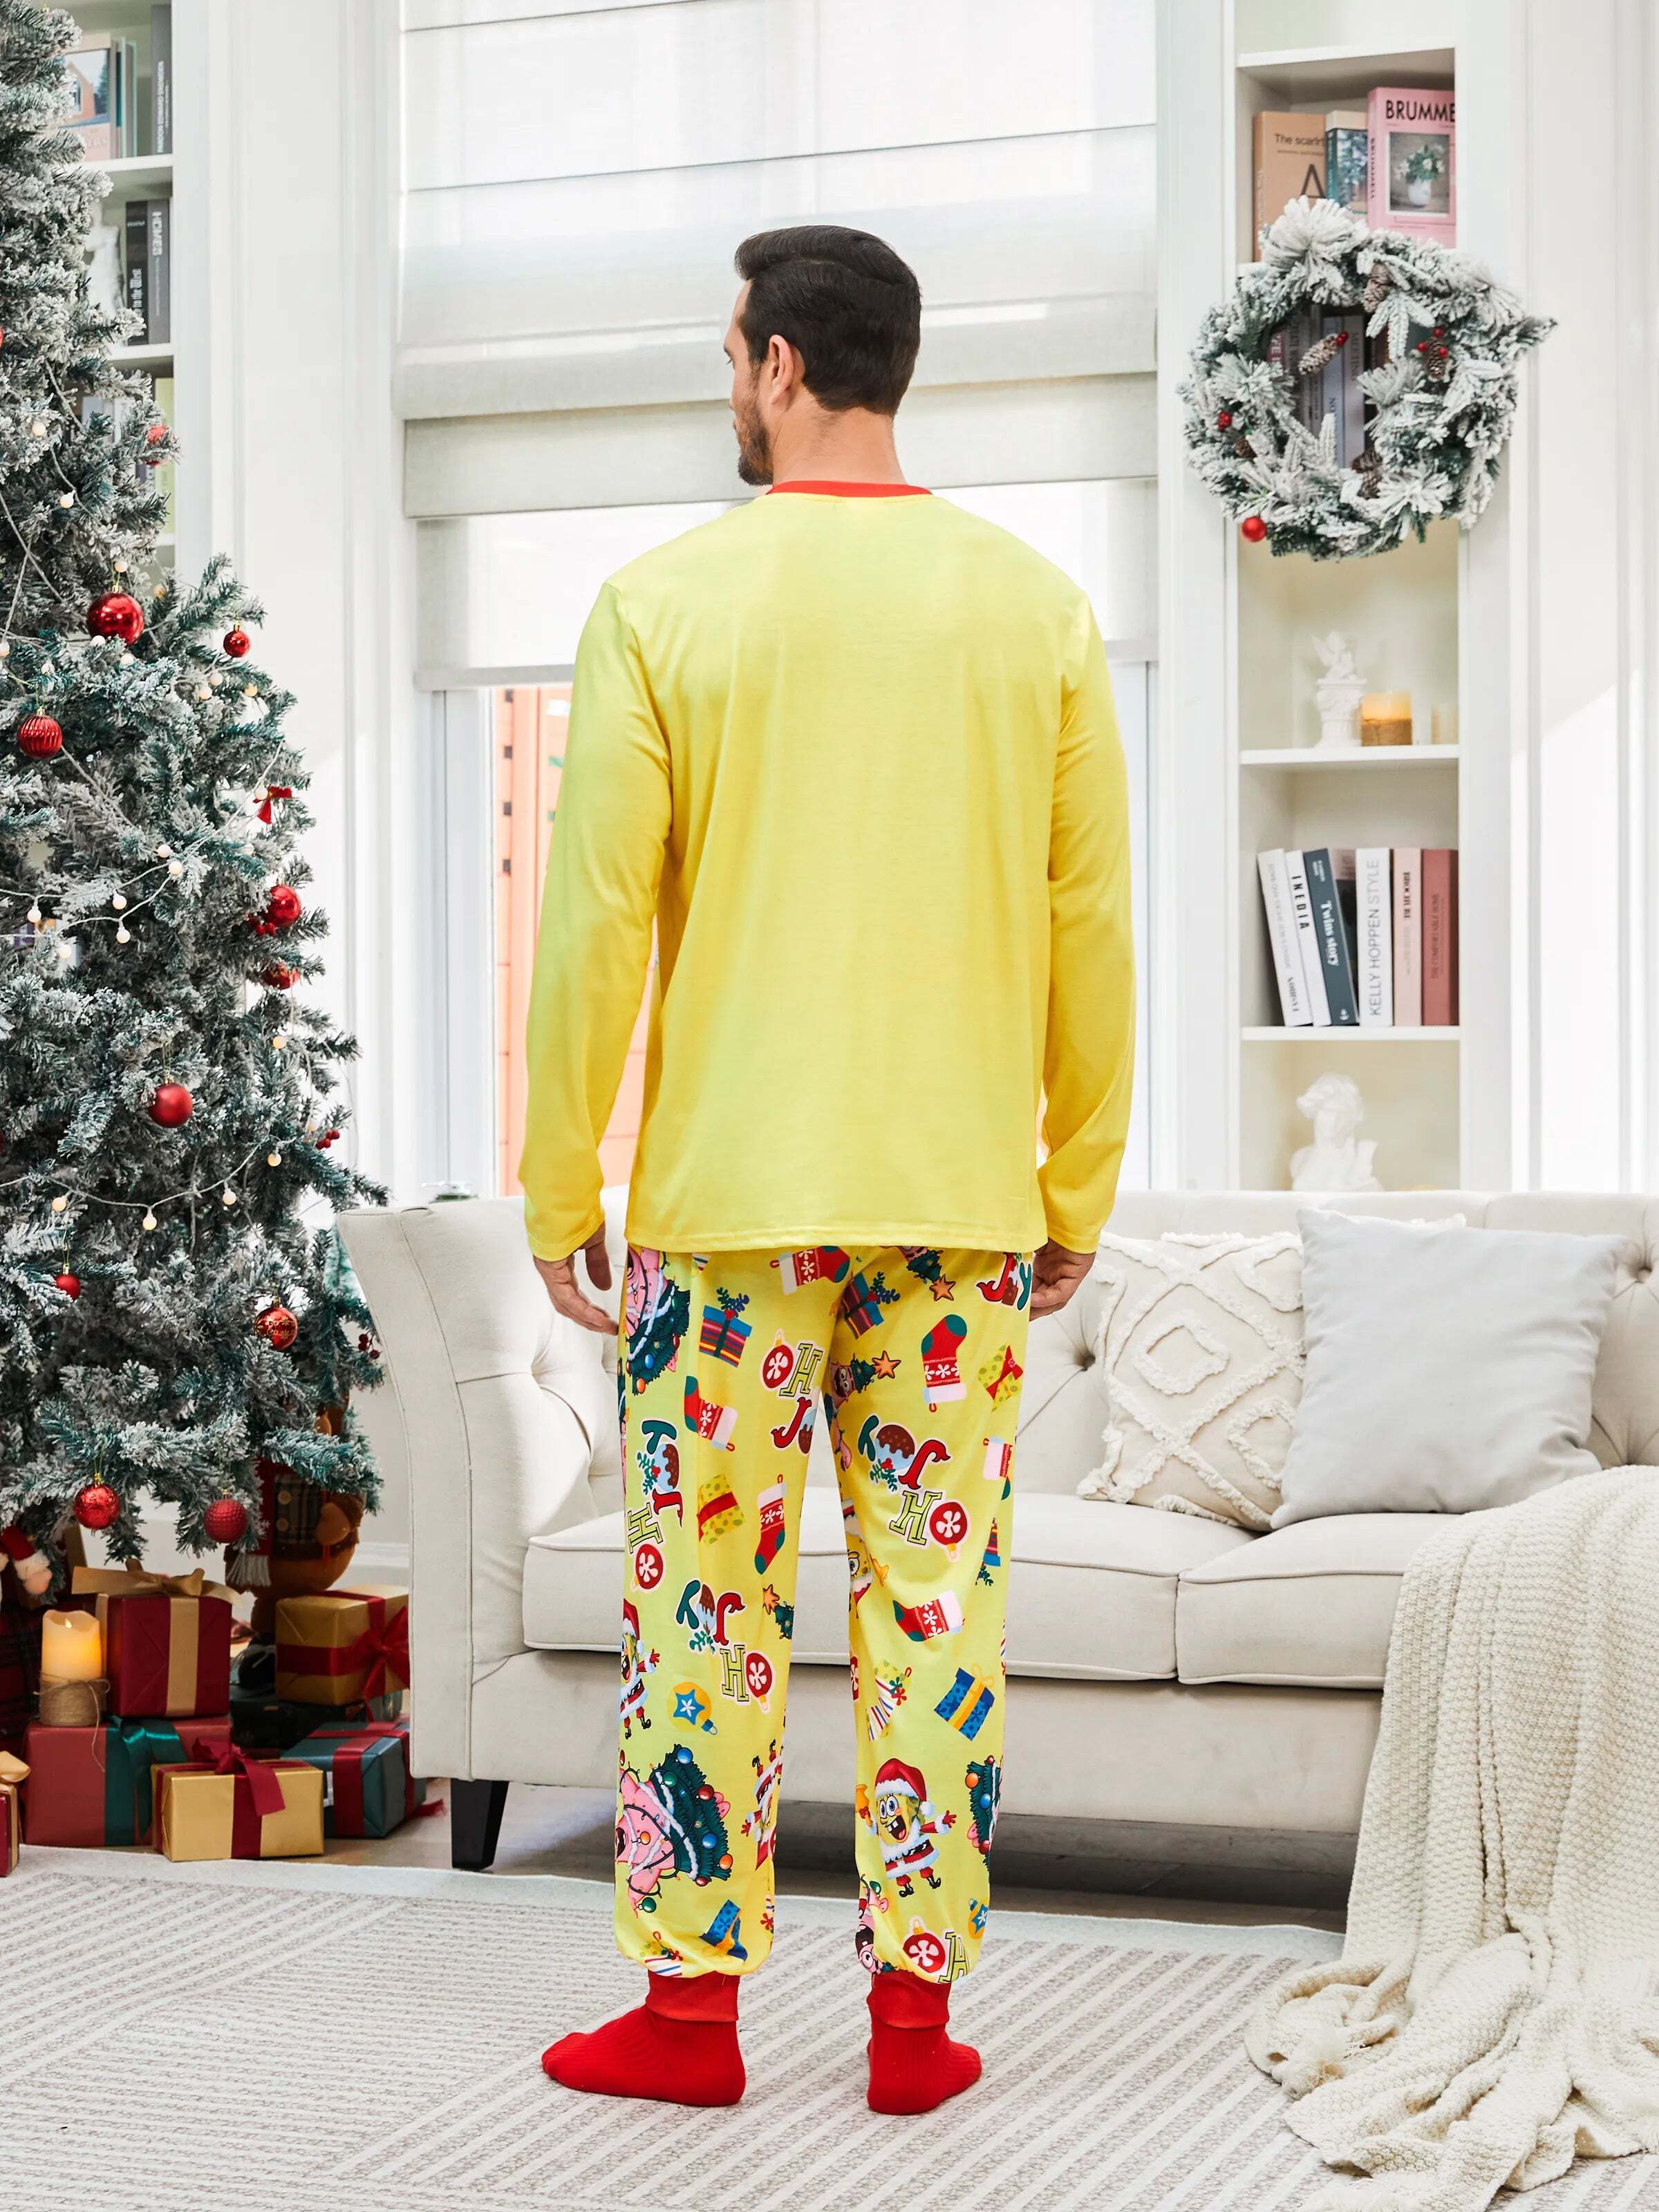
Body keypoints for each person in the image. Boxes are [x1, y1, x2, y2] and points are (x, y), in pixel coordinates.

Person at [521, 225, 1134, 2113]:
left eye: (732, 355)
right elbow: (1091, 927)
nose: (730, 383)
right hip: (956, 1208)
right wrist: (1077, 1185)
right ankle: (914, 2038)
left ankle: (688, 2023)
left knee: (703, 1609)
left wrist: (558, 1190)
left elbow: (592, 928)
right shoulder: (1036, 610)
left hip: (729, 1208)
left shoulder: (662, 605)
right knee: (936, 1617)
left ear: (781, 364)